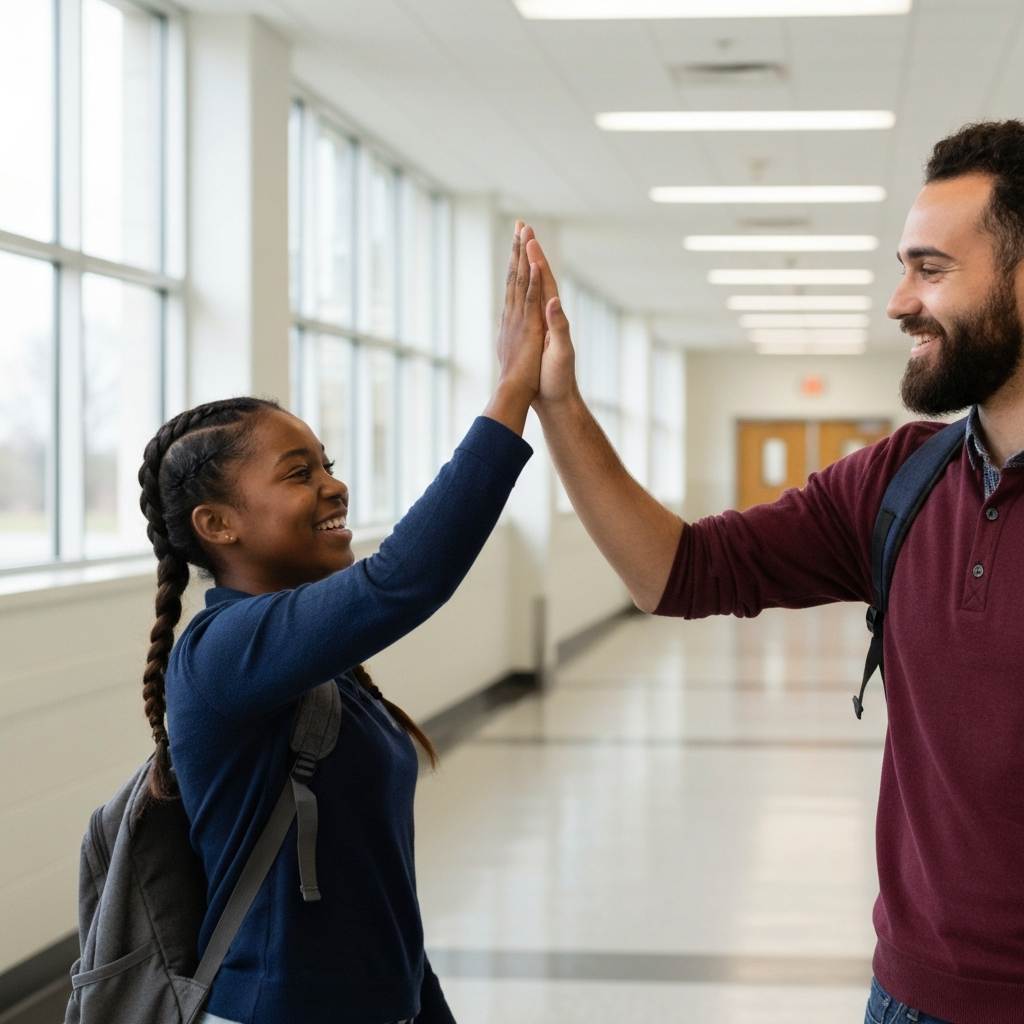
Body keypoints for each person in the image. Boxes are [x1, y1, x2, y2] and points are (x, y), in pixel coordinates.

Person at [522, 121, 1024, 1024]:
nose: (899, 301)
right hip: (911, 995)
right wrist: (559, 407)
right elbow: (679, 571)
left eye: (931, 269)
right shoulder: (897, 482)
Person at [137, 224, 545, 1024]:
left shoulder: (309, 660)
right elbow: (403, 581)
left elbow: (371, 887)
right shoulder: (224, 652)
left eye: (326, 463)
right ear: (218, 525)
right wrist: (510, 396)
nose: (334, 486)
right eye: (300, 474)